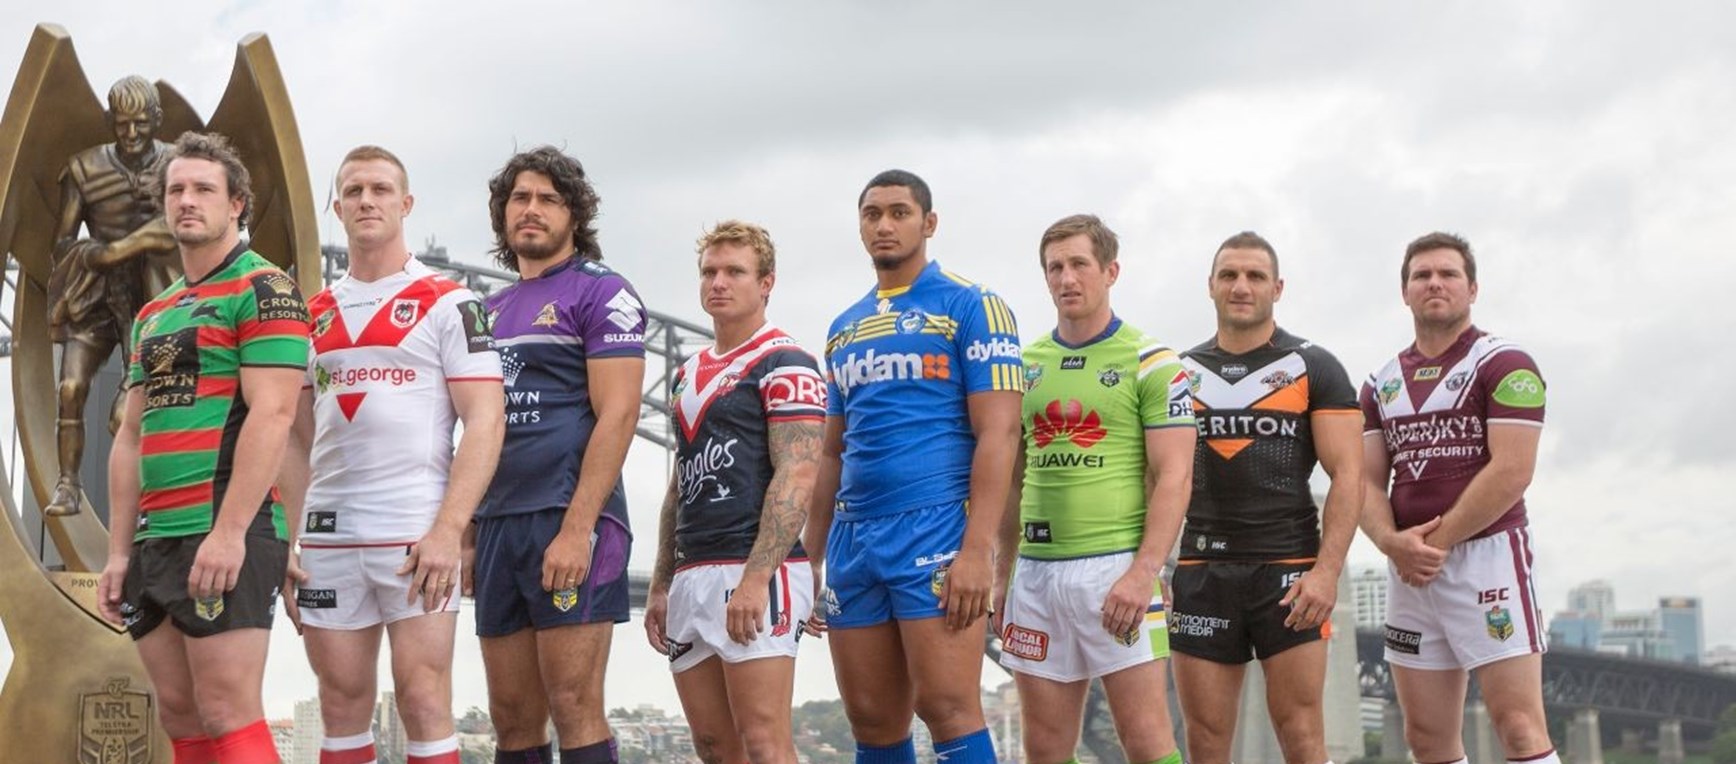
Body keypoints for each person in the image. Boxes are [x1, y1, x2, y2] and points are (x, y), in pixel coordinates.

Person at [277, 145, 505, 764]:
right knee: (340, 705)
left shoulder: (452, 303)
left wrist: (450, 529)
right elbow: (296, 437)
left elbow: (486, 422)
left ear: (405, 204)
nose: (366, 201)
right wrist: (292, 540)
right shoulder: (309, 314)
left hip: (415, 533)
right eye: (353, 191)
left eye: (380, 189)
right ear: (337, 208)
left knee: (423, 699)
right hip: (328, 538)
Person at [96, 130, 309, 764]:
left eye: (204, 189)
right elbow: (131, 436)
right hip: (154, 536)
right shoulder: (155, 312)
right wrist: (117, 552)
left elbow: (274, 414)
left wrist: (230, 532)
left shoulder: (264, 288)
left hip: (222, 524)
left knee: (226, 710)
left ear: (236, 203)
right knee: (181, 715)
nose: (187, 200)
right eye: (176, 190)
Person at [803, 169, 1023, 764]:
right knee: (872, 720)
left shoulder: (973, 305)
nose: (884, 225)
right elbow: (831, 451)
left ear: (929, 223)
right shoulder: (843, 327)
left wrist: (978, 550)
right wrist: (808, 556)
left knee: (947, 708)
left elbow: (1000, 433)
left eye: (899, 212)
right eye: (872, 214)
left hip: (936, 527)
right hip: (854, 537)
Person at [993, 214, 1193, 764]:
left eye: (1079, 264)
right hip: (1036, 573)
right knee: (1045, 749)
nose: (1066, 278)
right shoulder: (1025, 364)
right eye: (1054, 267)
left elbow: (1175, 476)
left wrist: (1144, 571)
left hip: (1115, 569)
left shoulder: (1153, 362)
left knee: (1146, 740)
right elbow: (1011, 479)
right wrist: (1003, 574)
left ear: (1110, 271)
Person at [472, 146, 645, 764]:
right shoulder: (486, 311)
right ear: (503, 213)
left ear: (574, 214)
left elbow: (619, 415)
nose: (532, 209)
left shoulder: (602, 292)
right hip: (499, 522)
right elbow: (475, 427)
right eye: (520, 197)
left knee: (574, 704)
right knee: (511, 718)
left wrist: (577, 530)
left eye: (549, 199)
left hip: (570, 517)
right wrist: (465, 530)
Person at [1359, 232, 1556, 764]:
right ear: (1405, 292)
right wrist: (1390, 543)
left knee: (1519, 728)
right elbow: (1365, 482)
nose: (1435, 284)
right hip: (1409, 570)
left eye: (1448, 274)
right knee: (1426, 739)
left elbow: (1512, 471)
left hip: (1487, 560)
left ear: (1472, 288)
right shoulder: (1379, 384)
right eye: (1421, 275)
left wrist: (1433, 545)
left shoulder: (1505, 363)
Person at [1169, 231, 1363, 764]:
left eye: (1255, 276)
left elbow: (1350, 475)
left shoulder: (1314, 365)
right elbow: (1157, 479)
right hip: (1202, 570)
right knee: (1205, 742)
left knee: (1302, 737)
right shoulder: (1177, 373)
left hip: (1290, 570)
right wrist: (1151, 566)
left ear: (1277, 288)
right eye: (1229, 275)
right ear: (1210, 285)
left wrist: (1326, 573)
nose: (1241, 286)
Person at [644, 220, 825, 764]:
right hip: (693, 571)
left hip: (752, 568)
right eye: (709, 272)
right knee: (714, 747)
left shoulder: (786, 362)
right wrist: (661, 581)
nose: (718, 283)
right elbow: (680, 481)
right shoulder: (687, 373)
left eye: (735, 272)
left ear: (766, 283)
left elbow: (798, 474)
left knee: (764, 740)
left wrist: (755, 578)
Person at [45, 74, 183, 516]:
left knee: (132, 411)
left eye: (141, 123)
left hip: (157, 296)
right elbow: (61, 243)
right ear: (110, 120)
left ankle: (152, 499)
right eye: (122, 123)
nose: (131, 132)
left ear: (157, 119)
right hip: (99, 293)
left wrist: (133, 246)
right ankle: (68, 484)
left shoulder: (180, 164)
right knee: (70, 387)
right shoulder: (84, 169)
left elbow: (193, 228)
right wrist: (99, 254)